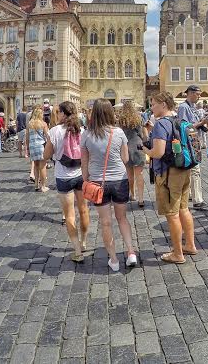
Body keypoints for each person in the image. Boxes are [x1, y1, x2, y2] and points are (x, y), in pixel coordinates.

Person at [81, 98, 137, 271]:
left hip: (98, 183)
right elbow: (126, 159)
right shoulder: (118, 132)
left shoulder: (87, 135)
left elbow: (84, 162)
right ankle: (130, 252)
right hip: (120, 180)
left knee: (106, 222)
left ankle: (113, 260)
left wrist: (85, 180)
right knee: (122, 218)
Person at [143, 92, 197, 264]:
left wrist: (144, 150)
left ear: (164, 105)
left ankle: (178, 254)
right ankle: (190, 245)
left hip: (168, 173)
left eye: (153, 104)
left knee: (172, 214)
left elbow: (157, 153)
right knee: (184, 209)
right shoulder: (179, 121)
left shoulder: (161, 125)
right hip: (184, 169)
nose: (151, 108)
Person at [44, 101, 89, 263]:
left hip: (63, 176)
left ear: (62, 114)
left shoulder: (55, 131)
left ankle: (77, 251)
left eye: (59, 112)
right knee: (83, 210)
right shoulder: (82, 130)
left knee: (69, 213)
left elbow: (46, 155)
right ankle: (84, 242)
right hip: (80, 175)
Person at [177, 85, 208, 209]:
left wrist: (202, 124)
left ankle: (190, 194)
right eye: (198, 94)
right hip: (189, 143)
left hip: (194, 142)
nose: (199, 96)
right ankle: (198, 200)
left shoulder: (191, 107)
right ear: (190, 93)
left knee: (191, 170)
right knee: (195, 170)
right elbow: (185, 127)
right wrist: (201, 123)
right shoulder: (183, 107)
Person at [119, 101, 147, 208]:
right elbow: (144, 135)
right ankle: (141, 199)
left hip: (126, 147)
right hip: (138, 147)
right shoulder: (139, 118)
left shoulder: (122, 120)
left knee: (129, 174)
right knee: (139, 174)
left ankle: (132, 194)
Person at [26, 107, 49, 192]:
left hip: (32, 146)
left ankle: (36, 185)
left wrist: (27, 148)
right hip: (40, 146)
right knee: (42, 167)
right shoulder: (43, 124)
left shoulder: (29, 124)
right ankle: (43, 186)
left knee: (36, 166)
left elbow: (27, 137)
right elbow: (47, 136)